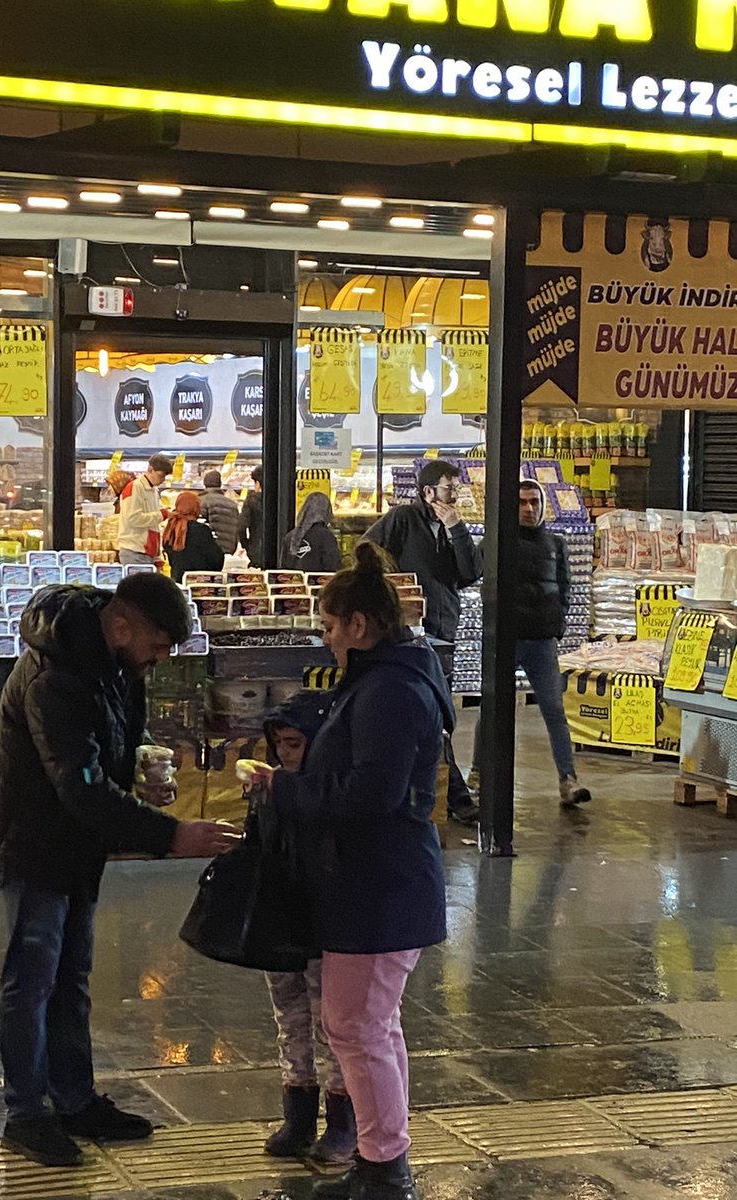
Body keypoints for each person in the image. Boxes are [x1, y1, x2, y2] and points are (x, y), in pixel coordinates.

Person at [0, 575, 238, 1169]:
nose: (164, 655)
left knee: (73, 975)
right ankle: (28, 1114)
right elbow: (79, 782)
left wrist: (141, 758)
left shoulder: (117, 661)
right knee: (34, 975)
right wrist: (170, 834)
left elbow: (113, 732)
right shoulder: (55, 676)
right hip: (33, 834)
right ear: (122, 626)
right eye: (161, 642)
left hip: (76, 836)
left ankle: (72, 1100)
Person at [248, 543, 450, 1200]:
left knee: (357, 1024)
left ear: (359, 625)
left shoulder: (389, 689)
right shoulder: (387, 679)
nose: (328, 641)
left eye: (331, 628)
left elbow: (370, 794)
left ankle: (385, 1166)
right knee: (364, 1025)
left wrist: (288, 789)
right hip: (376, 881)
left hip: (380, 884)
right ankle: (378, 1157)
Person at [261, 690, 356, 1165]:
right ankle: (297, 1113)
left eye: (294, 743)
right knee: (289, 1017)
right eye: (278, 743)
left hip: (324, 924)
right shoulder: (273, 789)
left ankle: (342, 1121)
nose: (284, 753)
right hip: (282, 921)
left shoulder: (328, 793)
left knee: (330, 1022)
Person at [365, 460, 482, 825]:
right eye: (450, 489)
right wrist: (395, 592)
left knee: (440, 715)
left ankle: (445, 792)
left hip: (444, 630)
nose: (455, 496)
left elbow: (470, 573)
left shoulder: (450, 529)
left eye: (457, 490)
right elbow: (368, 550)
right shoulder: (403, 518)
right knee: (431, 713)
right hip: (411, 632)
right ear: (428, 492)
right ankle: (456, 797)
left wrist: (457, 530)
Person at [472, 480, 591, 808]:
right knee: (493, 707)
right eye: (522, 502)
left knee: (554, 709)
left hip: (541, 641)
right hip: (506, 638)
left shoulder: (555, 543)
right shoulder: (495, 541)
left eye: (534, 502)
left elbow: (565, 587)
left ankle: (568, 779)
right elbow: (471, 572)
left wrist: (559, 623)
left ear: (543, 505)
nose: (528, 508)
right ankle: (479, 773)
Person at [118, 453, 173, 566]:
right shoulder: (134, 488)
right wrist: (161, 515)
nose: (163, 479)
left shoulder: (154, 490)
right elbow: (133, 518)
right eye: (161, 475)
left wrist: (157, 555)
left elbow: (152, 526)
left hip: (148, 552)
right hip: (134, 552)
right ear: (151, 469)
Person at [162, 490, 225, 583]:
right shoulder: (201, 530)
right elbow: (216, 560)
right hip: (201, 584)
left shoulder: (170, 529)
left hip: (178, 582)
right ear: (196, 508)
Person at [281, 492, 343, 573]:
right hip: (318, 584)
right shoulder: (326, 536)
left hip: (295, 584)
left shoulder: (289, 536)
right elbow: (333, 566)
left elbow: (284, 568)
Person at [200, 470, 240, 555]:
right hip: (229, 548)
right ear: (220, 484)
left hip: (209, 549)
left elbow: (201, 526)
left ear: (205, 483)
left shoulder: (202, 501)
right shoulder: (232, 504)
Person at [240, 465, 264, 567]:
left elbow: (241, 527)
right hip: (278, 551)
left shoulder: (251, 500)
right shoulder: (282, 498)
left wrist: (247, 545)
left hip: (256, 550)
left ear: (258, 483)